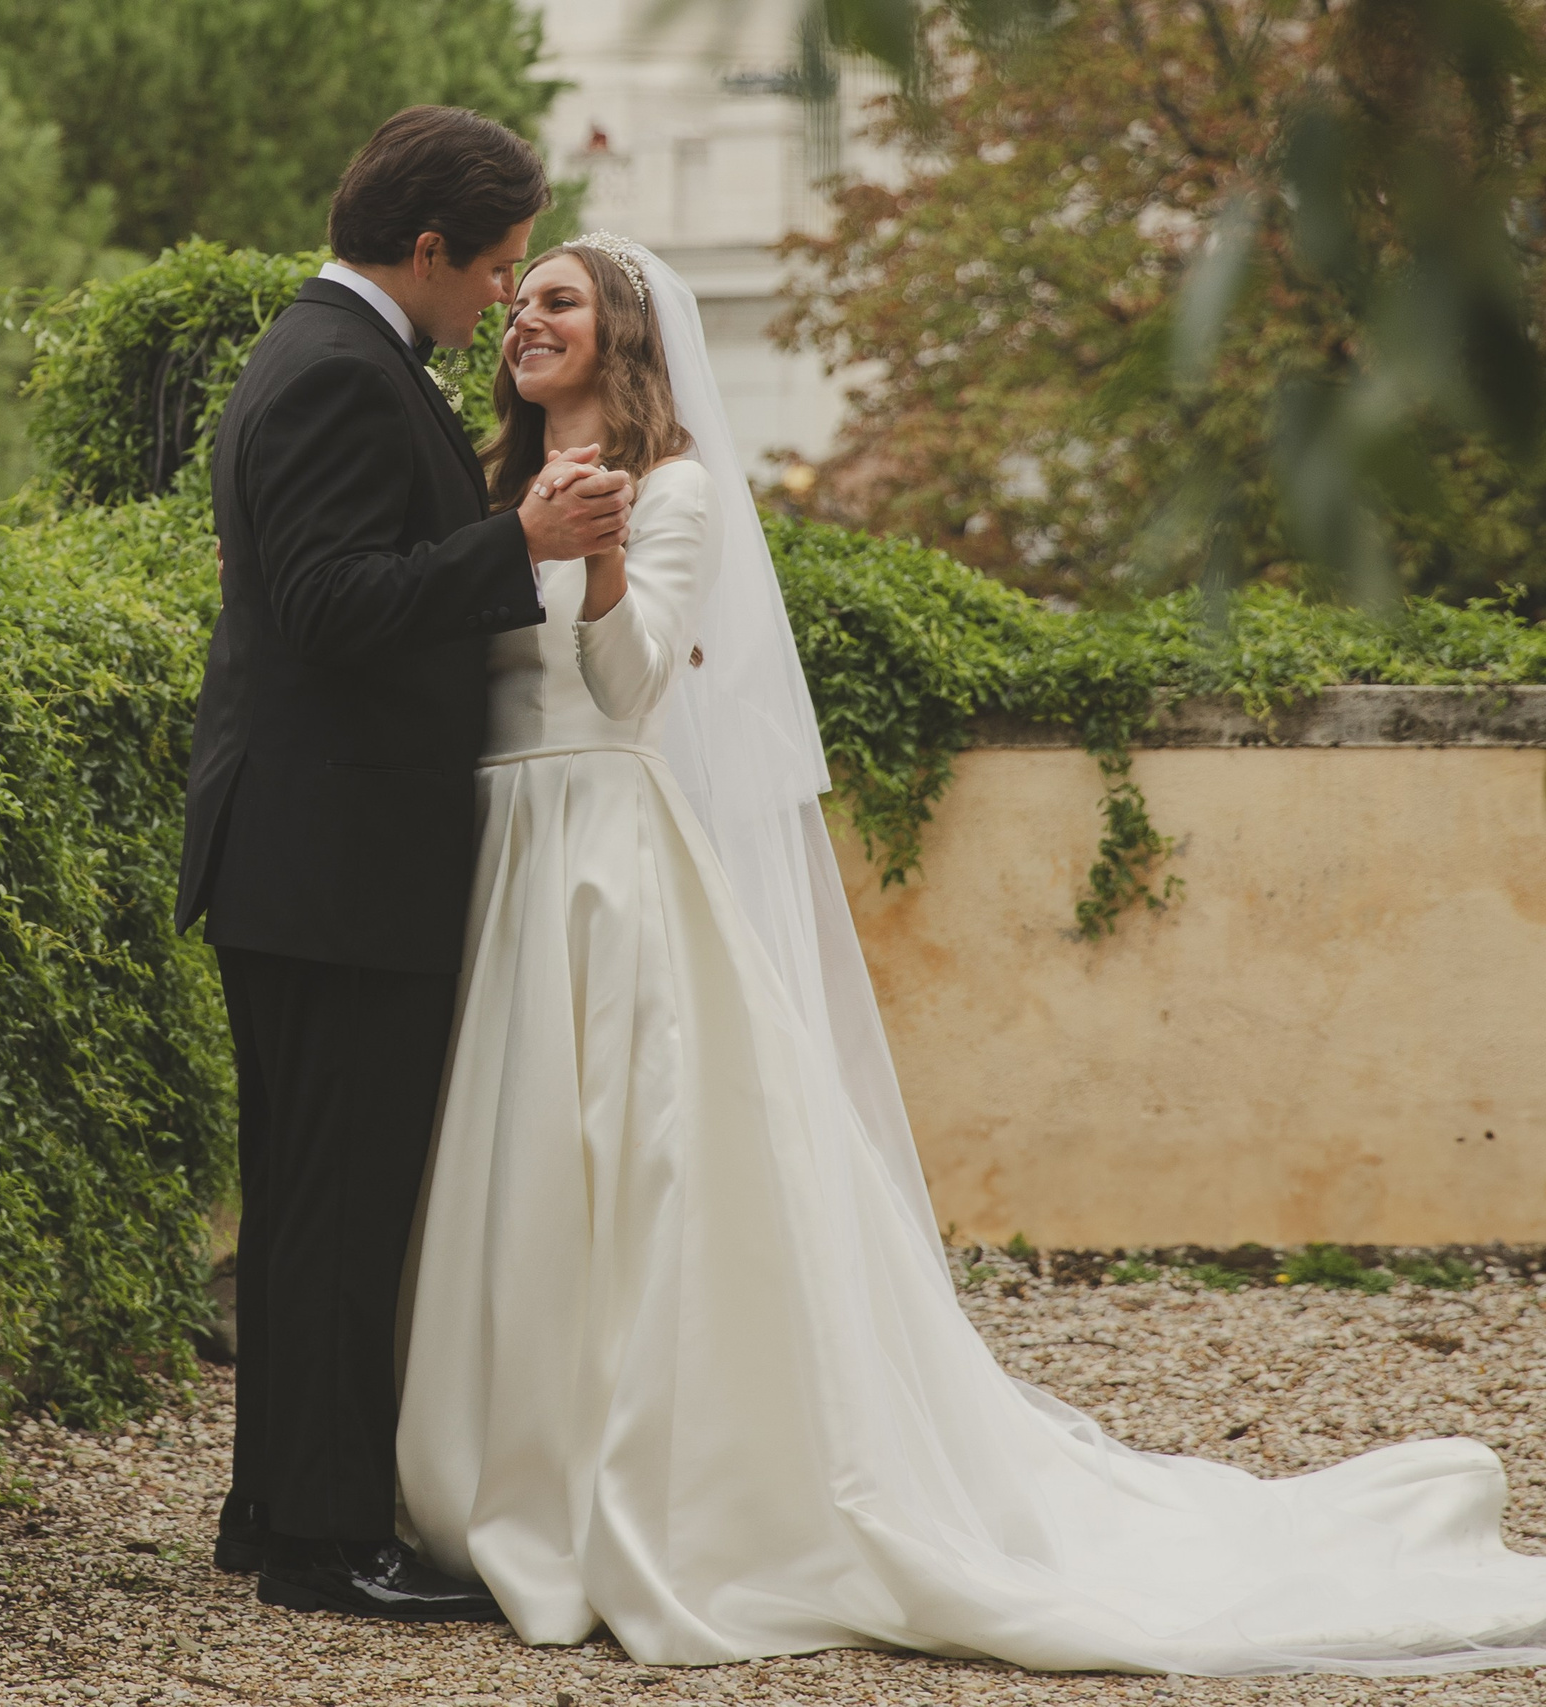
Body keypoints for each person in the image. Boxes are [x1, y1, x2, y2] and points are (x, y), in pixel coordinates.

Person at [391, 230, 1546, 1673]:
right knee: (524, 1166)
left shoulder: (671, 490)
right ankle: (509, 1472)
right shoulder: (491, 486)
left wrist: (608, 557)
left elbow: (626, 695)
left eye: (558, 300)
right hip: (500, 850)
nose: (524, 320)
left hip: (600, 854)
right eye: (521, 302)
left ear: (623, 331)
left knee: (636, 1166)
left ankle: (649, 1493)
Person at [174, 108, 635, 1621]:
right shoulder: (334, 372)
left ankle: (273, 1511)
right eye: (499, 269)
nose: (505, 298)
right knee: (338, 1204)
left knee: (313, 1195)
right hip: (332, 860)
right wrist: (517, 539)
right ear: (425, 251)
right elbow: (323, 605)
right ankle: (322, 1543)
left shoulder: (335, 359)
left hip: (316, 856)